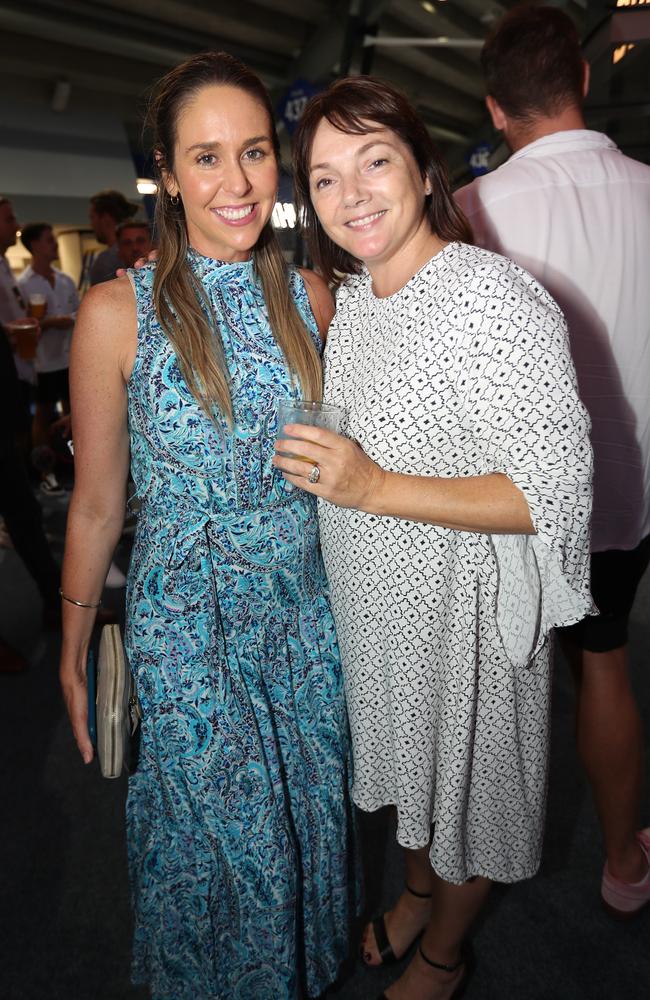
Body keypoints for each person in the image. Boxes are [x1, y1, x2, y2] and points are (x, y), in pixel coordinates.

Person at [277, 76, 594, 1000]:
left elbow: (555, 490)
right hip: (381, 616)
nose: (353, 195)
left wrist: (370, 486)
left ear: (423, 171)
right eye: (326, 178)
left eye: (374, 161)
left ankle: (445, 953)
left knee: (464, 803)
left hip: (464, 625)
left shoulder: (490, 299)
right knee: (410, 788)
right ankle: (416, 892)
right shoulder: (361, 299)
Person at [59, 51, 356, 1000]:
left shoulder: (313, 299)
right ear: (168, 174)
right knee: (243, 846)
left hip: (304, 618)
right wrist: (72, 647)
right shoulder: (116, 313)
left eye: (256, 152)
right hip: (187, 620)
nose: (236, 183)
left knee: (302, 829)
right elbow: (101, 503)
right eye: (206, 157)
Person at [455, 3, 650, 918]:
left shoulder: (472, 209)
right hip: (644, 481)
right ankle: (623, 862)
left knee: (562, 667)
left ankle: (583, 860)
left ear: (496, 110)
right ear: (580, 79)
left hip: (540, 498)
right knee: (601, 659)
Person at [18, 222, 79, 495]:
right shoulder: (23, 284)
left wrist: (65, 321)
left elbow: (79, 314)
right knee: (42, 417)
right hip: (42, 362)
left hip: (70, 359)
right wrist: (51, 321)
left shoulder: (65, 280)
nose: (54, 244)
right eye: (48, 240)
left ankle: (79, 465)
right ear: (34, 246)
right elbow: (24, 325)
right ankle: (46, 472)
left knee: (76, 413)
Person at [88, 189, 139, 285]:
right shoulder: (139, 251)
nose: (91, 225)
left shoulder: (105, 262)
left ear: (105, 218)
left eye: (92, 218)